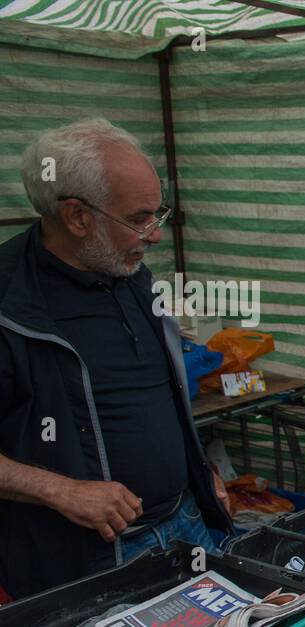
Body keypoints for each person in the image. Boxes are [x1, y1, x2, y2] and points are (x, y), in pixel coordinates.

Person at [0, 119, 231, 602]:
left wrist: (198, 467)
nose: (156, 236)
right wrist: (61, 490)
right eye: (140, 218)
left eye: (158, 214)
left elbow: (156, 394)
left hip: (187, 523)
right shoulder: (11, 302)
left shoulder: (132, 276)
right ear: (77, 216)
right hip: (88, 562)